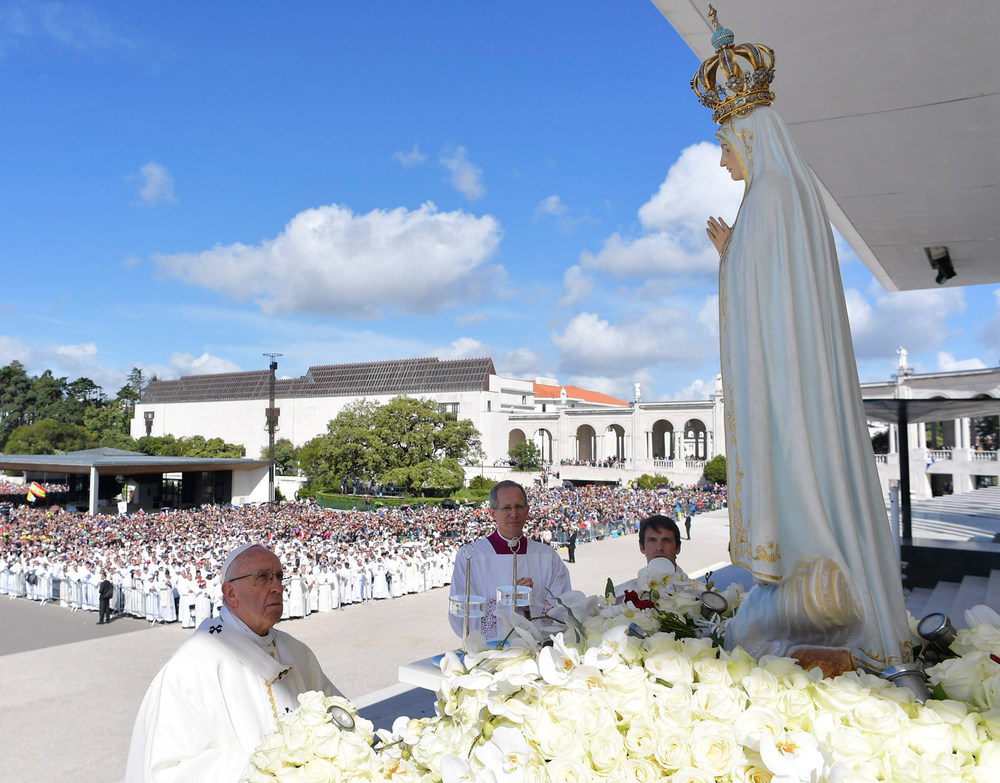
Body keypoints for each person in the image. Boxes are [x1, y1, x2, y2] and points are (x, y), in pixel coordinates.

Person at [699, 8, 911, 673]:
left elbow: (761, 303)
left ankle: (815, 604)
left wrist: (730, 260)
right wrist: (738, 255)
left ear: (751, 135)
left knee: (801, 506)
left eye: (727, 141)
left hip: (786, 388)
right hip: (803, 377)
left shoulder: (766, 199)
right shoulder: (790, 195)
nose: (723, 156)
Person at [125, 543, 340, 783]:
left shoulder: (297, 652)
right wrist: (275, 769)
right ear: (231, 593)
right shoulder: (192, 666)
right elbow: (172, 770)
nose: (277, 587)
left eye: (279, 577)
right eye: (263, 578)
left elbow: (340, 716)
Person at [449, 481, 571, 642]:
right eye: (506, 508)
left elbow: (563, 610)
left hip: (540, 646)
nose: (514, 514)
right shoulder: (471, 555)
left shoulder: (546, 556)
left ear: (527, 510)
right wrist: (508, 600)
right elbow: (462, 614)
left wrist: (529, 602)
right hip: (489, 649)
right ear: (492, 513)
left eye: (519, 507)